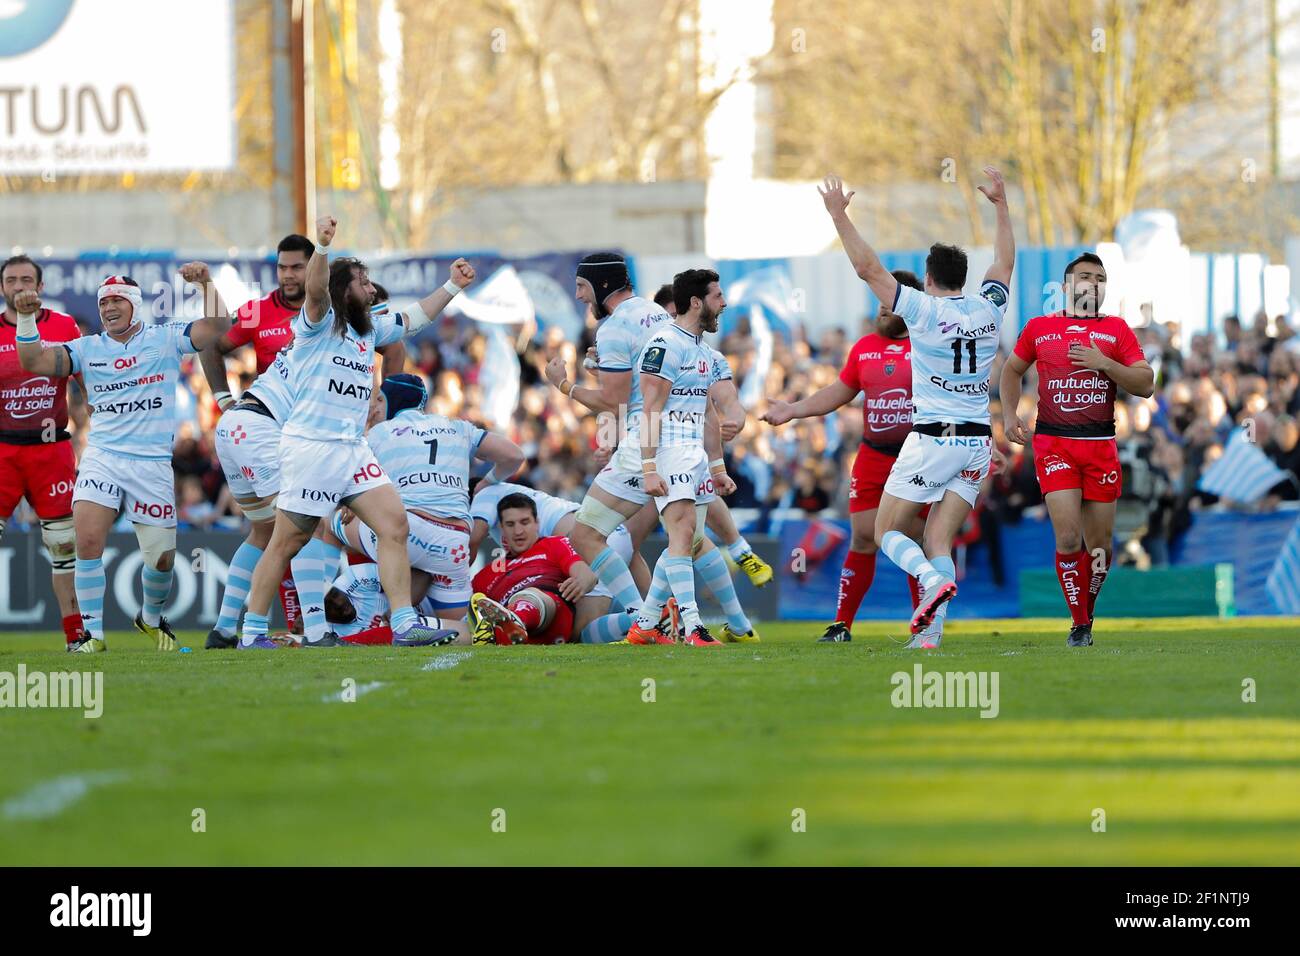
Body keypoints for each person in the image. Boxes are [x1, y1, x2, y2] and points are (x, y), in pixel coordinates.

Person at [236, 214, 474, 649]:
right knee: (286, 542)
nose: (370, 288)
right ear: (343, 288)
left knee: (394, 523)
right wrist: (322, 247)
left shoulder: (369, 329)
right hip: (313, 449)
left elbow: (415, 317)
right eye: (363, 281)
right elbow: (313, 290)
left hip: (352, 450)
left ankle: (402, 623)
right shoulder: (318, 322)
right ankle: (251, 633)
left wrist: (454, 285)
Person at [818, 169, 1014, 646]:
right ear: (964, 278)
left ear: (928, 279)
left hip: (934, 439)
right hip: (978, 446)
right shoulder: (989, 308)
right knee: (938, 540)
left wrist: (839, 216)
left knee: (885, 531)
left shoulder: (924, 311)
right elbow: (1004, 263)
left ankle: (929, 581)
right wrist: (1001, 205)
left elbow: (868, 269)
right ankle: (930, 637)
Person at [15, 266, 233, 652]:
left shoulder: (165, 338)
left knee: (162, 560)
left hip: (151, 465)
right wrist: (28, 318)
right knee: (87, 539)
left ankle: (150, 618)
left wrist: (205, 285)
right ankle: (93, 637)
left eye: (117, 300)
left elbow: (218, 325)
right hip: (104, 457)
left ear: (134, 305)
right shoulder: (87, 348)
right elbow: (34, 361)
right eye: (103, 302)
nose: (109, 308)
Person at [762, 270, 928, 642]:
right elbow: (837, 392)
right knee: (863, 540)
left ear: (910, 305)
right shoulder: (864, 347)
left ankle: (925, 624)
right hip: (872, 456)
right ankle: (842, 625)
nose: (882, 308)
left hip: (917, 457)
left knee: (913, 540)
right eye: (880, 302)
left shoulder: (929, 344)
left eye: (891, 302)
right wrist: (793, 409)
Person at [999, 252, 1154, 646]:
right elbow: (1011, 370)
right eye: (1085, 276)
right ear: (1067, 286)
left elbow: (1146, 383)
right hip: (1054, 445)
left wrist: (1105, 364)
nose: (1092, 283)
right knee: (1068, 539)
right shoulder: (1040, 327)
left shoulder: (1116, 331)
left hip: (1100, 446)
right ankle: (1080, 624)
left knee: (1099, 548)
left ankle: (1087, 610)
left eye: (1100, 278)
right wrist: (1008, 414)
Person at [323, 373, 525, 646]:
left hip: (408, 530)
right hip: (453, 545)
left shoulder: (379, 433)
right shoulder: (458, 427)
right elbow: (514, 456)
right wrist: (488, 481)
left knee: (327, 521)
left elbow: (338, 476)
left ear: (384, 401)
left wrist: (350, 502)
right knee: (462, 628)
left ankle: (315, 614)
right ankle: (487, 628)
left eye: (377, 401)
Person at [621, 268, 743, 647]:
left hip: (692, 455)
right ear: (696, 302)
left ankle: (643, 625)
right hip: (667, 449)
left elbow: (709, 413)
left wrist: (717, 465)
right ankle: (693, 627)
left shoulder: (705, 352)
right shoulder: (664, 345)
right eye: (717, 296)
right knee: (684, 529)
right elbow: (651, 409)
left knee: (685, 537)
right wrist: (649, 466)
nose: (723, 303)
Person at [543, 253, 670, 614]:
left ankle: (640, 619)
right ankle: (680, 620)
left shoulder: (614, 326)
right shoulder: (656, 313)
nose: (580, 296)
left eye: (582, 287)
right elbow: (641, 384)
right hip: (678, 435)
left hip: (645, 440)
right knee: (671, 538)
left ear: (601, 285)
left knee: (585, 535)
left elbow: (613, 400)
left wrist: (564, 385)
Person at [0, 254, 83, 648]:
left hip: (51, 453)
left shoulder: (64, 326)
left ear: (41, 287)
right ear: (2, 288)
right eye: (11, 280)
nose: (19, 287)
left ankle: (75, 636)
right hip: (3, 454)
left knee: (64, 547)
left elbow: (88, 379)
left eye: (26, 280)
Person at [470, 493, 632, 645]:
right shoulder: (485, 575)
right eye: (510, 525)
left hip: (552, 616)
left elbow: (585, 574)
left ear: (537, 523)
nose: (518, 531)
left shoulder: (554, 544)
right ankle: (503, 629)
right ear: (502, 529)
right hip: (511, 635)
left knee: (530, 594)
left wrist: (583, 581)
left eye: (525, 522)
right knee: (461, 630)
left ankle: (515, 619)